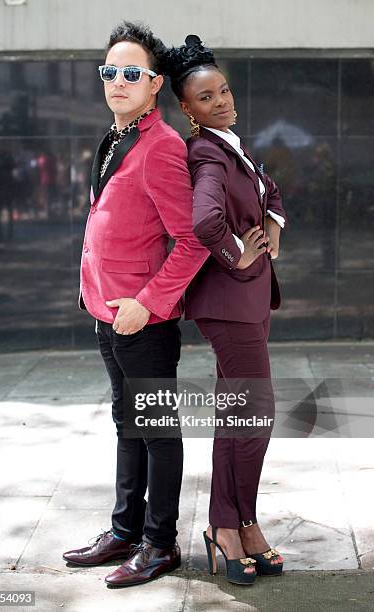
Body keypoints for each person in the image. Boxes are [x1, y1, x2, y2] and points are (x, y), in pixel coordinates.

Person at [62, 22, 209, 588]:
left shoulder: (162, 147)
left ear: (154, 85)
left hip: (142, 319)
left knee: (156, 429)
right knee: (128, 424)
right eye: (110, 72)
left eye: (132, 73)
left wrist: (148, 303)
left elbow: (192, 240)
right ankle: (124, 530)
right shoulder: (116, 135)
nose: (117, 82)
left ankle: (159, 543)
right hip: (106, 310)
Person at [164, 35, 288, 585]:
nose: (222, 101)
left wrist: (271, 227)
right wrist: (238, 254)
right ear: (188, 110)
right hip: (232, 304)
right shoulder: (207, 152)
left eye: (225, 90)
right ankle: (234, 524)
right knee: (254, 417)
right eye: (207, 97)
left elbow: (271, 190)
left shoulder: (231, 143)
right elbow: (205, 221)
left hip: (250, 300)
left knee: (237, 417)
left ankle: (235, 525)